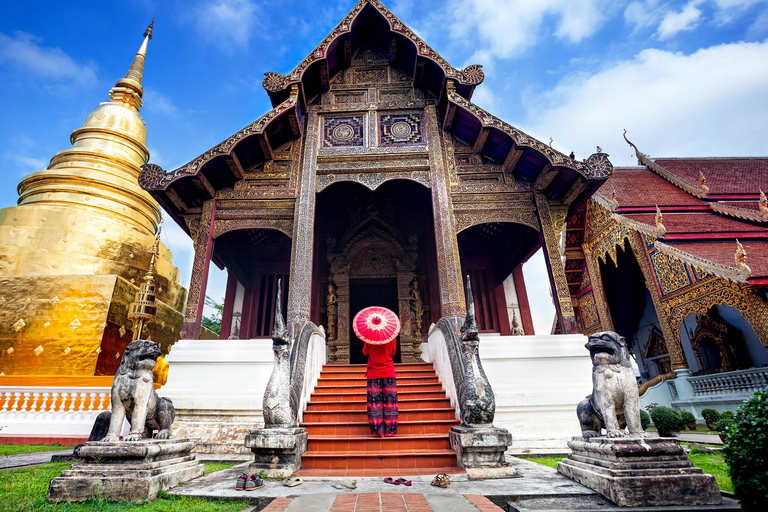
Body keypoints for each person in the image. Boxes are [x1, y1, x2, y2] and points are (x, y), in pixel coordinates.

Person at [362, 337, 398, 437]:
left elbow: (365, 352)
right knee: (390, 403)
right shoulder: (391, 337)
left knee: (374, 403)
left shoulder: (369, 336)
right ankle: (389, 430)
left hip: (373, 373)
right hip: (388, 372)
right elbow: (393, 352)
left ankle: (378, 431)